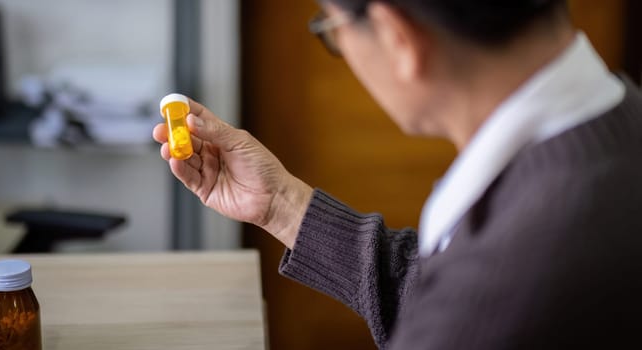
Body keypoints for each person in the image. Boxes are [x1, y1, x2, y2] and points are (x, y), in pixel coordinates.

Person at [153, 0, 642, 348]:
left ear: (397, 37)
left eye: (332, 30)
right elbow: (436, 292)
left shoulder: (512, 275)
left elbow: (469, 306)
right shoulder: (618, 124)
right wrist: (282, 203)